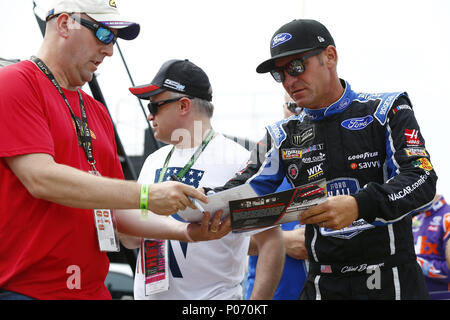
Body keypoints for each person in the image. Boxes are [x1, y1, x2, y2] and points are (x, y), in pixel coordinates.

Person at [0, 0, 225, 300]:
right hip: (27, 292)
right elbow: (40, 178)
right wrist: (146, 195)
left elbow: (116, 212)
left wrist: (184, 232)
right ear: (65, 24)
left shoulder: (96, 111)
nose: (109, 50)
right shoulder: (14, 83)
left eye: (114, 39)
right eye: (104, 34)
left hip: (93, 291)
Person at [209, 19, 437, 299]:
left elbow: (422, 178)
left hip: (390, 280)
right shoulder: (280, 134)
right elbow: (245, 187)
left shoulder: (387, 110)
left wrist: (358, 205)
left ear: (330, 56)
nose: (290, 81)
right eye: (280, 74)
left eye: (296, 66)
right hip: (323, 283)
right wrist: (200, 202)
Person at [123, 59, 285, 300]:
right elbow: (132, 240)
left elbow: (271, 241)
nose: (149, 116)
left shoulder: (240, 161)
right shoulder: (153, 161)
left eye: (154, 106)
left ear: (183, 105)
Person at [245, 93, 308, 300]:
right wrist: (284, 241)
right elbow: (228, 239)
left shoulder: (348, 164)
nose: (301, 116)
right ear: (283, 108)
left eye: (309, 107)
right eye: (294, 106)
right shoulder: (261, 172)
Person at [412, 194, 450, 300]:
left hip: (443, 295)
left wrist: (420, 264)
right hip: (416, 295)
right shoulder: (415, 219)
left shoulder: (447, 217)